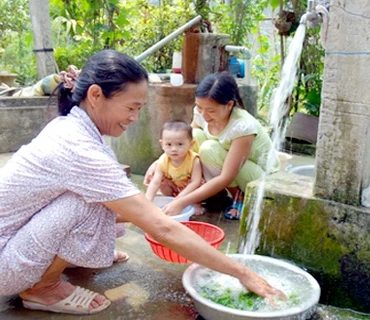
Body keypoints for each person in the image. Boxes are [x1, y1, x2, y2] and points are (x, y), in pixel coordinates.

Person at [0, 50, 283, 315]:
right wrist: (242, 272)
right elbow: (160, 229)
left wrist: (149, 213)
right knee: (89, 203)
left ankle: (64, 261)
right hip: (5, 263)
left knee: (109, 209)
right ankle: (43, 287)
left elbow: (141, 215)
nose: (135, 118)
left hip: (14, 241)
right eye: (132, 108)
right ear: (96, 95)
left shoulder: (71, 126)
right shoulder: (78, 147)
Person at [144, 72, 280, 220]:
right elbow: (186, 140)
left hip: (260, 177)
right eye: (199, 107)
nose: (204, 115)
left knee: (209, 149)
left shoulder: (243, 126)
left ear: (229, 105)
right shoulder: (202, 114)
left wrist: (180, 202)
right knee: (194, 135)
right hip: (231, 166)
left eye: (211, 110)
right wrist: (158, 163)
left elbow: (227, 176)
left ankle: (238, 198)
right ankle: (216, 193)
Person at [145, 120, 204, 215]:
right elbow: (155, 182)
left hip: (190, 189)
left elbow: (195, 182)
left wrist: (179, 199)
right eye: (168, 144)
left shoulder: (194, 160)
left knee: (200, 185)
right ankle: (170, 199)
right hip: (175, 187)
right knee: (162, 182)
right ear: (162, 145)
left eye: (180, 144)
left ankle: (196, 203)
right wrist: (146, 202)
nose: (174, 149)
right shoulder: (163, 161)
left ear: (191, 144)